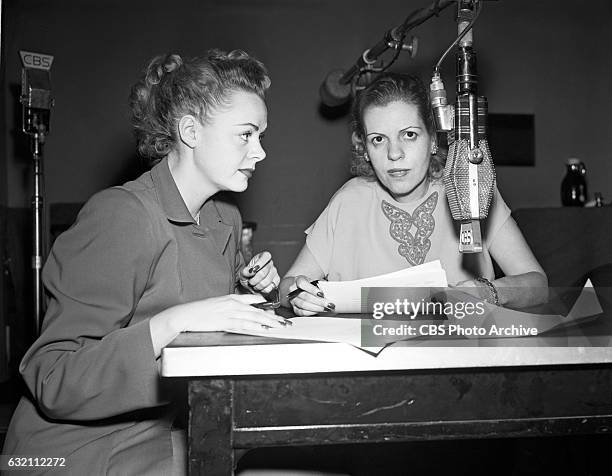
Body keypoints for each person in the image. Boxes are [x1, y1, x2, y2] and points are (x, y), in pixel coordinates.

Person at [2, 49, 289, 475]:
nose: (260, 152)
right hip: (81, 453)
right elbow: (53, 376)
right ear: (190, 131)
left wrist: (252, 293)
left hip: (169, 433)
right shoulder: (121, 214)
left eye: (261, 136)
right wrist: (172, 322)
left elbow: (205, 327)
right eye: (246, 134)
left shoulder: (223, 218)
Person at [280, 72, 548, 315]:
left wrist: (488, 292)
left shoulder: (470, 187)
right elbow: (288, 286)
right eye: (378, 139)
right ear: (365, 148)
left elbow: (537, 284)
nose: (394, 153)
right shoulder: (348, 201)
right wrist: (300, 296)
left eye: (408, 135)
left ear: (432, 139)